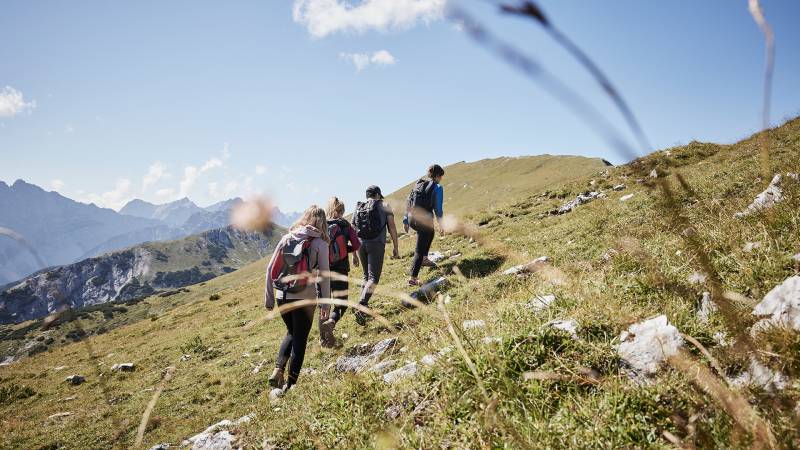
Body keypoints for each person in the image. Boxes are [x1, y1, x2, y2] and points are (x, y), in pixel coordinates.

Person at [264, 205, 331, 392]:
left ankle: (278, 369)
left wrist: (269, 299)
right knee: (300, 339)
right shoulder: (321, 243)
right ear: (322, 222)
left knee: (291, 332)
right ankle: (290, 385)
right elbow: (324, 276)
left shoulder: (287, 237)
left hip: (282, 296)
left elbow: (270, 269)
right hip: (304, 297)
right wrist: (326, 303)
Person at [352, 185, 399, 325]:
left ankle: (363, 305)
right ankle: (361, 304)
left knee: (366, 276)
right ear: (378, 194)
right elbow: (392, 226)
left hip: (360, 244)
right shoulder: (384, 205)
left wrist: (354, 254)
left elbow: (353, 230)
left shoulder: (359, 207)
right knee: (374, 278)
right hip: (376, 243)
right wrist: (396, 247)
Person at [318, 197, 361, 347]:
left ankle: (323, 340)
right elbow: (356, 244)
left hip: (322, 270)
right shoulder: (345, 225)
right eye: (342, 211)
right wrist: (347, 249)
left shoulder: (320, 225)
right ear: (340, 211)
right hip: (340, 269)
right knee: (341, 304)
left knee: (324, 304)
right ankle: (332, 322)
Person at [404, 164, 445, 286]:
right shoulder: (437, 187)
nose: (441, 179)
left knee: (431, 233)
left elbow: (408, 202)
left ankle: (424, 259)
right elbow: (438, 208)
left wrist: (406, 220)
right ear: (437, 176)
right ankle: (413, 278)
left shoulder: (418, 185)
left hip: (412, 219)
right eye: (441, 176)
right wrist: (441, 223)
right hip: (424, 221)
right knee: (419, 248)